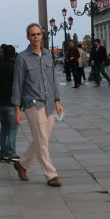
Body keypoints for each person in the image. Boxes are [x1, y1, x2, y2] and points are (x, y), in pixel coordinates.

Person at [12, 23, 65, 187]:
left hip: (49, 102)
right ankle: (51, 174)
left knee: (42, 138)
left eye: (38, 34)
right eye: (32, 34)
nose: (36, 37)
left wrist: (57, 100)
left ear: (42, 36)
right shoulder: (22, 58)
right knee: (42, 140)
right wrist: (17, 109)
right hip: (33, 103)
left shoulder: (48, 55)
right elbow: (18, 83)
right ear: (27, 37)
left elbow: (53, 79)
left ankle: (22, 164)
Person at [0, 44, 19, 163]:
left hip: (0, 103)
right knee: (13, 130)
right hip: (12, 103)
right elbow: (18, 87)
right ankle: (11, 154)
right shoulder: (15, 68)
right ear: (14, 54)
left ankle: (3, 154)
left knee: (4, 129)